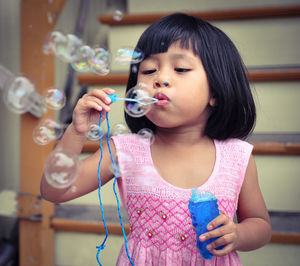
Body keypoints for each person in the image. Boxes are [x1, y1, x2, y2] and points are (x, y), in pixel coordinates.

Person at [41, 13, 271, 265]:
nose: (159, 79)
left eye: (180, 69)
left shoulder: (236, 157)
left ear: (215, 92)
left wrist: (238, 234)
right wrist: (76, 131)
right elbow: (55, 190)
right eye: (148, 70)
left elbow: (260, 225)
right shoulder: (125, 150)